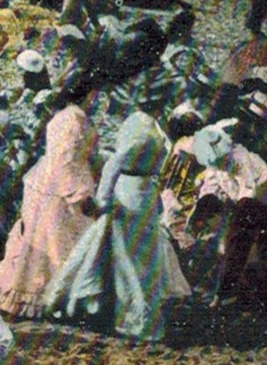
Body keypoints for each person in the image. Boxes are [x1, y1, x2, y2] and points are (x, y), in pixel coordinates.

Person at [44, 107, 191, 341]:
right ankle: (132, 318)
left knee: (138, 259)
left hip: (141, 194)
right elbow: (114, 165)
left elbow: (120, 165)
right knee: (130, 260)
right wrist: (103, 200)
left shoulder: (149, 129)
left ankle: (133, 316)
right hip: (132, 195)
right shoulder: (146, 132)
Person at [0, 94, 97, 319]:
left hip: (47, 184)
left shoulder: (67, 115)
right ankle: (58, 301)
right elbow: (64, 160)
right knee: (58, 248)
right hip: (60, 189)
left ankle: (45, 298)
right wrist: (78, 193)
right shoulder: (73, 118)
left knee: (43, 247)